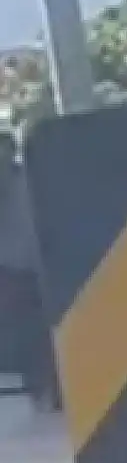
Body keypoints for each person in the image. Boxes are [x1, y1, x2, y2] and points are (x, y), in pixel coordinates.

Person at [0, 132, 56, 413]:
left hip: (43, 261)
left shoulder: (33, 176)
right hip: (11, 267)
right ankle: (40, 388)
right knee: (25, 331)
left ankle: (52, 386)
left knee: (50, 325)